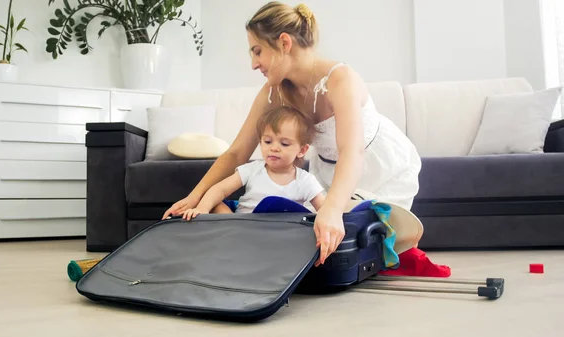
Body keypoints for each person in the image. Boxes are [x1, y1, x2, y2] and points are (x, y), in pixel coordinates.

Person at [163, 1, 422, 267]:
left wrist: (332, 209)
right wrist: (193, 198)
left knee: (360, 238)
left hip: (375, 166)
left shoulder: (340, 79)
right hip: (331, 173)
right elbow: (237, 152)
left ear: (284, 43)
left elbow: (351, 151)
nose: (253, 64)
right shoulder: (274, 92)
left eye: (257, 51)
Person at [180, 105, 325, 220]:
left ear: (302, 150)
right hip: (244, 225)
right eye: (267, 141)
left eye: (284, 144)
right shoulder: (252, 170)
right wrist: (203, 208)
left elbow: (324, 209)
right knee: (215, 203)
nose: (274, 148)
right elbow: (220, 189)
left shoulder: (305, 180)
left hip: (283, 232)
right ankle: (232, 226)